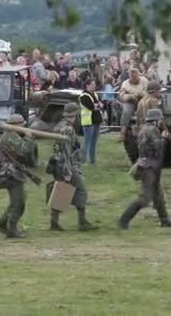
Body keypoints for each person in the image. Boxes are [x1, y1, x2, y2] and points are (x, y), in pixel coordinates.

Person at [119, 108, 171, 230]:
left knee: (158, 196)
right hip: (149, 167)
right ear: (156, 120)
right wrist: (164, 138)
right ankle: (124, 219)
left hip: (150, 165)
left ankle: (164, 220)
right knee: (145, 198)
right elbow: (157, 146)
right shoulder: (152, 130)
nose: (161, 121)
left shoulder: (146, 129)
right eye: (160, 119)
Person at [49, 102, 98, 232]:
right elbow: (65, 150)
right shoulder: (68, 129)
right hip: (65, 165)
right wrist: (67, 171)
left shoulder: (59, 126)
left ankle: (54, 222)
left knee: (61, 191)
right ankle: (82, 222)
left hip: (58, 163)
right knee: (81, 191)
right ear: (74, 115)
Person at [0, 114, 36, 239]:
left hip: (12, 173)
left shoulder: (10, 135)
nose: (24, 126)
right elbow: (24, 150)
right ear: (16, 125)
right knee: (19, 203)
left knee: (16, 202)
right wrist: (29, 137)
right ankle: (11, 229)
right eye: (22, 124)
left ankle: (3, 223)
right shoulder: (11, 136)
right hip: (12, 174)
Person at [117, 67, 148, 141]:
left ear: (138, 74)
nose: (133, 75)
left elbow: (147, 92)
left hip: (142, 99)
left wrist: (137, 94)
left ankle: (143, 133)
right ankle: (122, 133)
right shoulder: (125, 83)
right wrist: (128, 96)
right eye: (131, 74)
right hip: (130, 101)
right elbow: (121, 95)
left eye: (135, 73)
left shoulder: (144, 80)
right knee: (126, 112)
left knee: (143, 111)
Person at [79, 79, 102, 165]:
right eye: (92, 84)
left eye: (94, 84)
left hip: (96, 120)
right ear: (87, 85)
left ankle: (93, 161)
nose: (94, 86)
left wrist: (97, 105)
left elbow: (100, 104)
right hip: (89, 122)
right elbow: (91, 107)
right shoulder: (84, 95)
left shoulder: (95, 94)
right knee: (87, 142)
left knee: (94, 142)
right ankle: (83, 160)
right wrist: (97, 105)